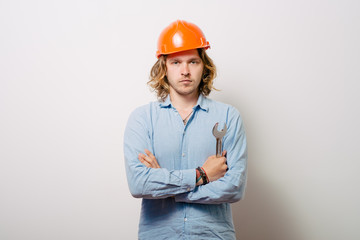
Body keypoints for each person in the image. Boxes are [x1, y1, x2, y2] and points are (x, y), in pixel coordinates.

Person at [124, 19, 247, 240]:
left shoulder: (228, 117)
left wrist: (166, 185)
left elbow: (234, 188)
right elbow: (139, 184)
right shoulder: (142, 119)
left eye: (193, 61)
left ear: (204, 65)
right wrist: (202, 175)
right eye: (176, 62)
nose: (185, 71)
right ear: (163, 67)